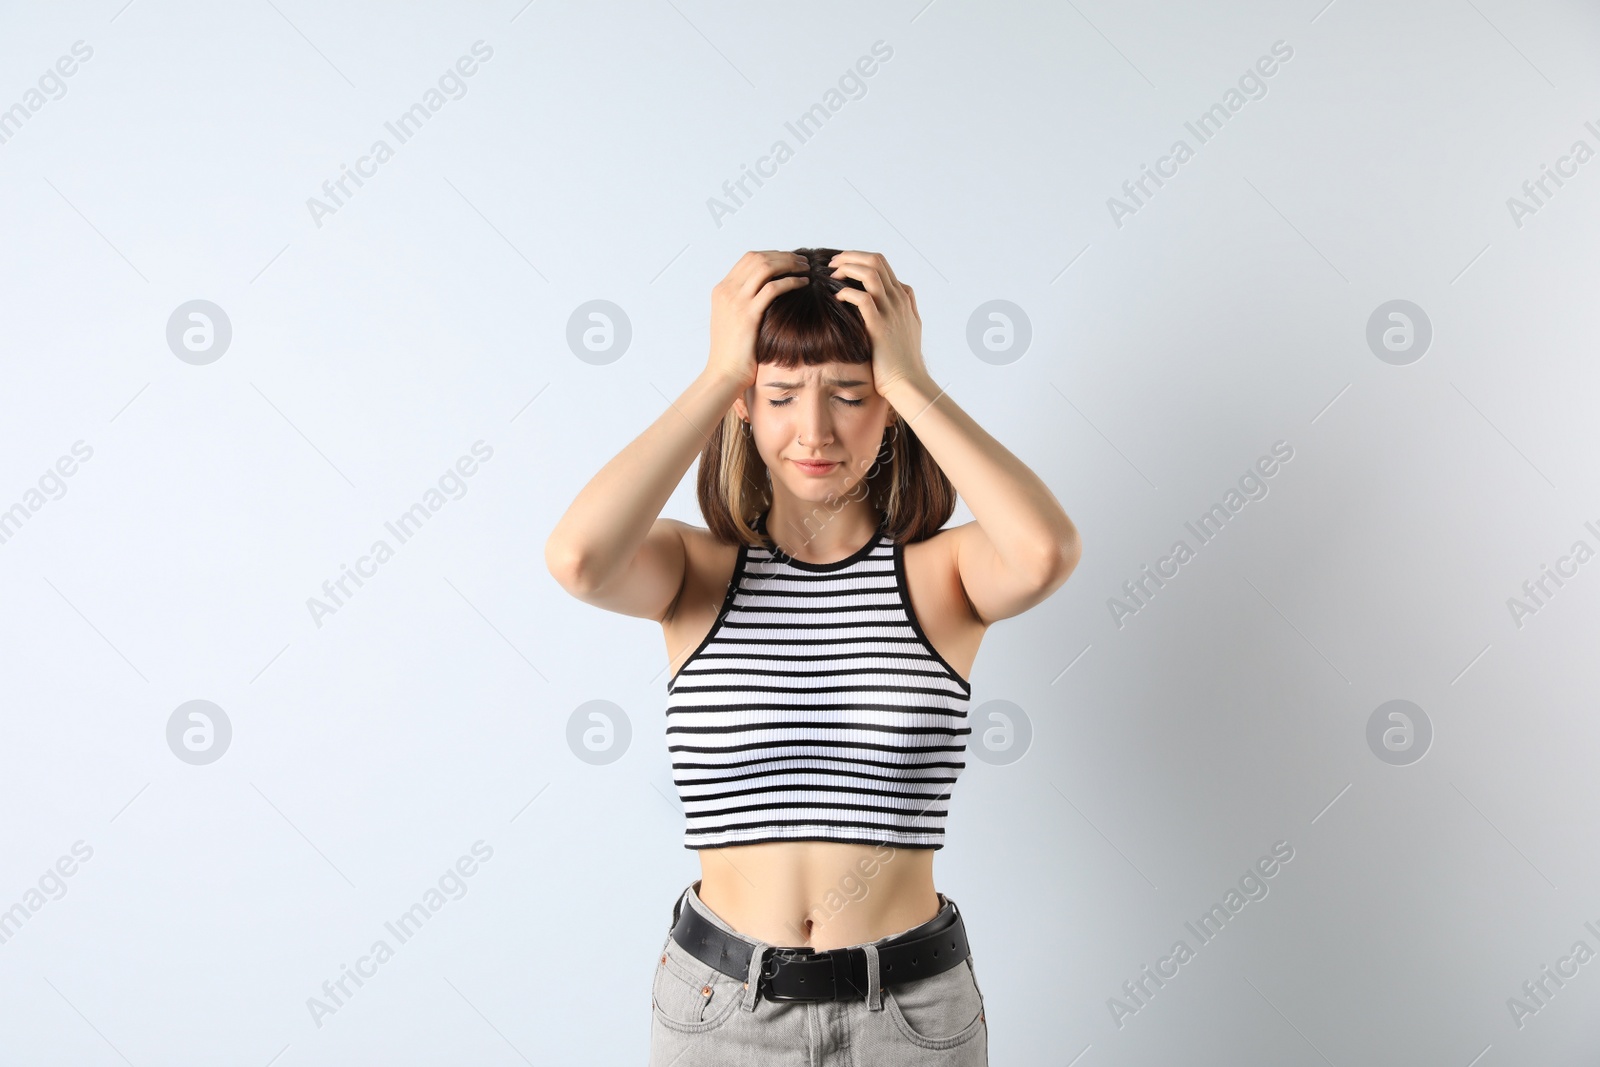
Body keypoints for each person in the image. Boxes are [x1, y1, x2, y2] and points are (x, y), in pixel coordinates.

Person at [545, 248, 1081, 1064]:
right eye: (782, 395)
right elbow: (578, 557)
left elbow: (1046, 550)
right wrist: (720, 371)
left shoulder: (942, 573)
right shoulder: (696, 572)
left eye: (852, 394)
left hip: (910, 1012)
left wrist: (912, 378)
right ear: (744, 408)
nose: (816, 430)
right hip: (718, 1008)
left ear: (888, 407)